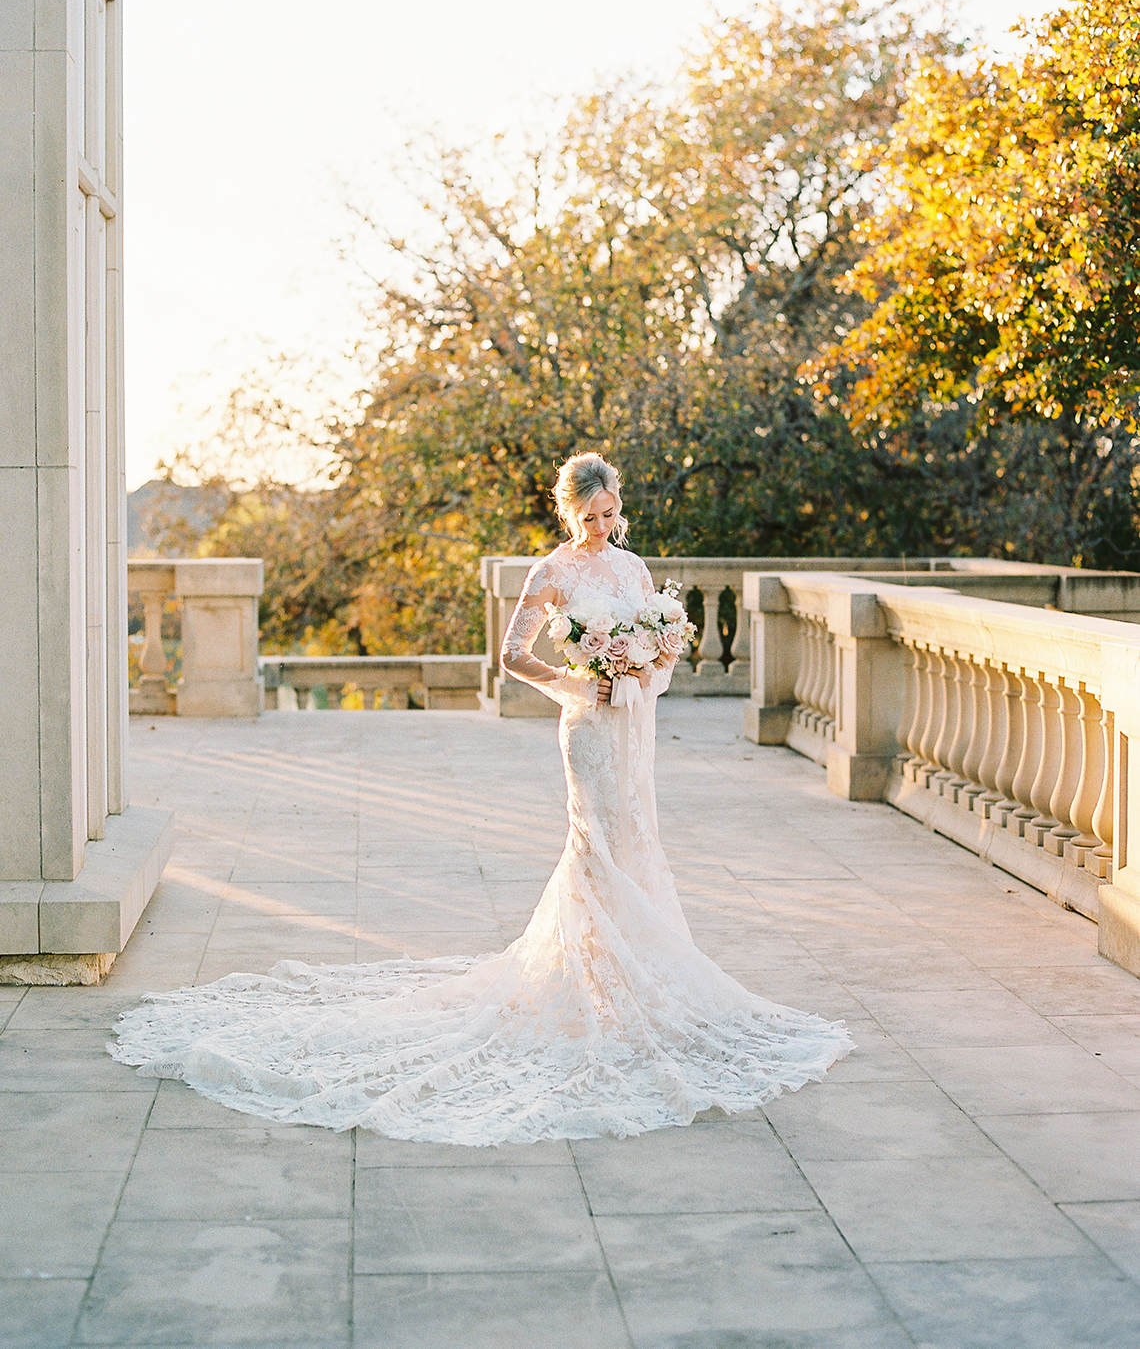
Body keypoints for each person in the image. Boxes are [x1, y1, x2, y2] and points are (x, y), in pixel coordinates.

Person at [111, 453, 851, 1145]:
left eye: (610, 513)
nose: (602, 526)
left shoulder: (633, 566)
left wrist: (651, 656)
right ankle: (593, 982)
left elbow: (664, 648)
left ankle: (646, 977)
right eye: (590, 515)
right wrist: (581, 680)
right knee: (595, 847)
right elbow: (513, 655)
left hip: (636, 727)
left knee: (637, 839)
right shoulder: (550, 571)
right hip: (590, 728)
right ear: (569, 513)